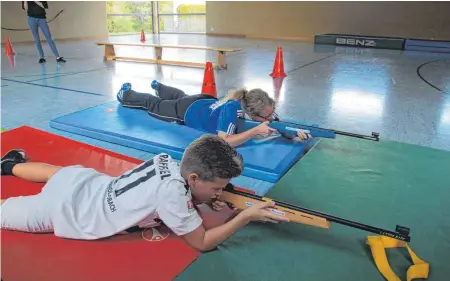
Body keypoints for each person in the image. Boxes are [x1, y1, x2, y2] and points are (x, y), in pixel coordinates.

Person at [0, 135, 289, 251]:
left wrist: (203, 196)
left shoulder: (167, 160)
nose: (220, 192)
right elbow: (202, 242)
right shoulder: (172, 195)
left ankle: (10, 165)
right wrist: (244, 218)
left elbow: (173, 193)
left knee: (54, 172)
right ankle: (10, 166)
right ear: (193, 177)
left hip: (86, 183)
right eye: (216, 187)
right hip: (68, 210)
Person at [116, 81, 312, 147]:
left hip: (202, 100)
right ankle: (126, 94)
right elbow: (224, 140)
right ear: (251, 113)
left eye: (272, 113)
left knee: (180, 96)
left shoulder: (261, 108)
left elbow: (278, 123)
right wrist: (253, 132)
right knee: (155, 105)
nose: (271, 118)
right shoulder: (231, 109)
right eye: (266, 117)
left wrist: (293, 133)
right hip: (186, 111)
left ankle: (160, 86)